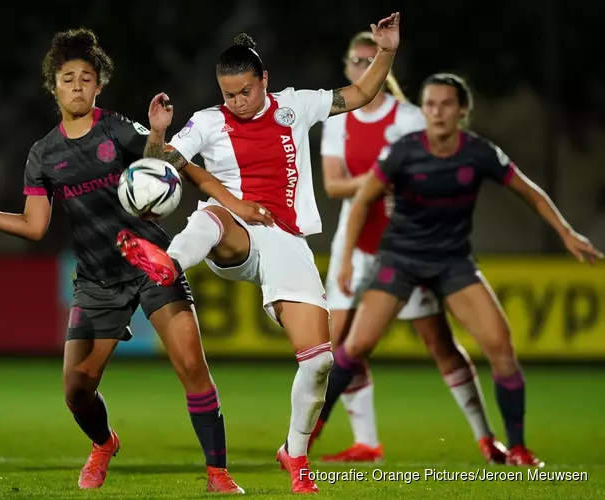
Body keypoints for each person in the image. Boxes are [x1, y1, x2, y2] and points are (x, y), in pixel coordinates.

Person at [0, 28, 247, 494]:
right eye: (67, 78)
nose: (77, 85)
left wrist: (158, 131)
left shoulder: (116, 127)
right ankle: (104, 444)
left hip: (151, 264)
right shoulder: (42, 155)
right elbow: (35, 225)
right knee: (76, 390)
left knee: (191, 367)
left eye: (86, 78)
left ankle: (219, 474)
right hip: (97, 279)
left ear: (98, 85)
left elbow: (161, 164)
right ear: (54, 87)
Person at [115, 13, 402, 494]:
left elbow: (360, 94)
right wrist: (159, 134)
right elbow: (165, 165)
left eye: (244, 91)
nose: (236, 101)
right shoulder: (208, 122)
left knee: (319, 362)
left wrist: (387, 51)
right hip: (232, 233)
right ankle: (167, 263)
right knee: (210, 217)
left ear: (264, 80)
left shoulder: (296, 107)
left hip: (286, 240)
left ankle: (294, 453)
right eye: (228, 94)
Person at [326, 72, 604, 467]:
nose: (437, 111)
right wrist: (346, 260)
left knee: (501, 347)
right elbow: (361, 203)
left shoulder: (478, 153)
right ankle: (303, 437)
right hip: (400, 260)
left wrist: (566, 232)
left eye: (445, 104)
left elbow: (530, 192)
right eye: (430, 104)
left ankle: (518, 448)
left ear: (462, 111)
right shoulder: (404, 150)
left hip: (452, 263)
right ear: (424, 110)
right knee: (353, 348)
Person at [310, 33, 505, 465]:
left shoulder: (410, 118)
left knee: (438, 342)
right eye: (355, 61)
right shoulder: (337, 121)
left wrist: (402, 180)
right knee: (338, 344)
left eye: (370, 60)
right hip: (355, 243)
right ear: (346, 68)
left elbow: (437, 167)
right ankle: (366, 442)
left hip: (408, 245)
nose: (362, 68)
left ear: (383, 66)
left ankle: (486, 437)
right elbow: (332, 185)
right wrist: (385, 176)